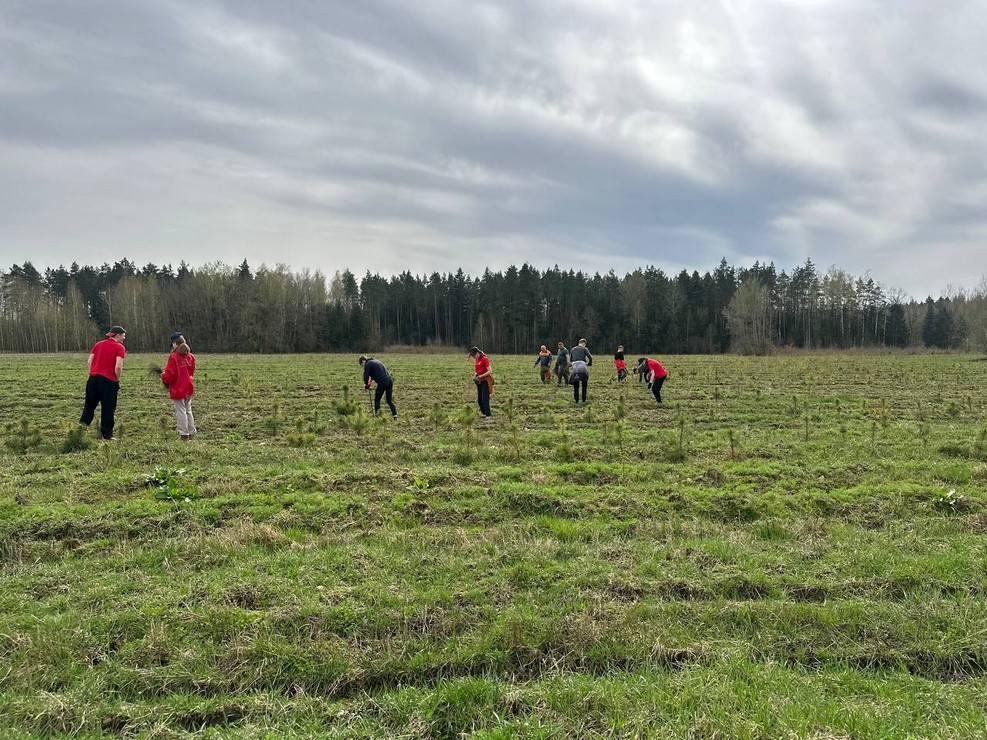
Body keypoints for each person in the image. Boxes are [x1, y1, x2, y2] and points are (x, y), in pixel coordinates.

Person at [79, 325, 127, 440]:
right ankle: (107, 434)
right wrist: (116, 379)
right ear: (118, 335)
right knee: (108, 408)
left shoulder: (98, 344)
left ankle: (80, 431)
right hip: (108, 381)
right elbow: (118, 367)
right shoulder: (119, 347)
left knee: (89, 406)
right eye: (123, 336)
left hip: (93, 379)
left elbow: (89, 361)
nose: (124, 338)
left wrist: (93, 372)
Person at [160, 331, 197, 440]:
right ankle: (192, 431)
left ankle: (184, 434)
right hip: (188, 387)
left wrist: (163, 376)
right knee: (188, 410)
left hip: (178, 388)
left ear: (175, 343)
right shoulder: (191, 356)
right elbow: (191, 372)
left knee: (181, 411)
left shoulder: (174, 357)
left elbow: (170, 375)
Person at [468, 347, 493, 417]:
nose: (473, 357)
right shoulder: (477, 359)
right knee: (479, 400)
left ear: (477, 353)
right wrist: (475, 375)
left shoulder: (484, 359)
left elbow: (490, 371)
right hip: (479, 381)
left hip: (485, 380)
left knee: (485, 398)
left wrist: (480, 376)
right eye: (472, 356)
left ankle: (488, 415)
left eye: (474, 355)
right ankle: (484, 413)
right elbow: (477, 370)